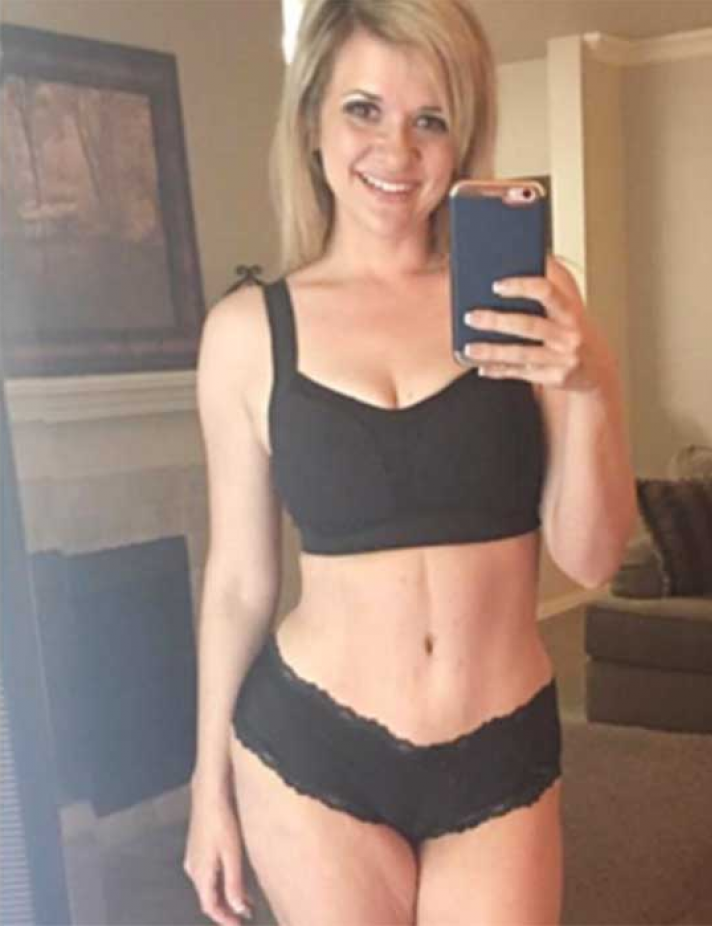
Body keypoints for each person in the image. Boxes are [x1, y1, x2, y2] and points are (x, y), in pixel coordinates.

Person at [184, 0, 637, 923]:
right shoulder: (246, 333)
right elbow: (236, 583)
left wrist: (594, 382)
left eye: (430, 119)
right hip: (309, 748)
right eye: (364, 109)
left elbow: (591, 559)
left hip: (499, 751)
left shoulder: (530, 297)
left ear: (461, 135)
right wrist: (207, 785)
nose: (397, 149)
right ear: (311, 119)